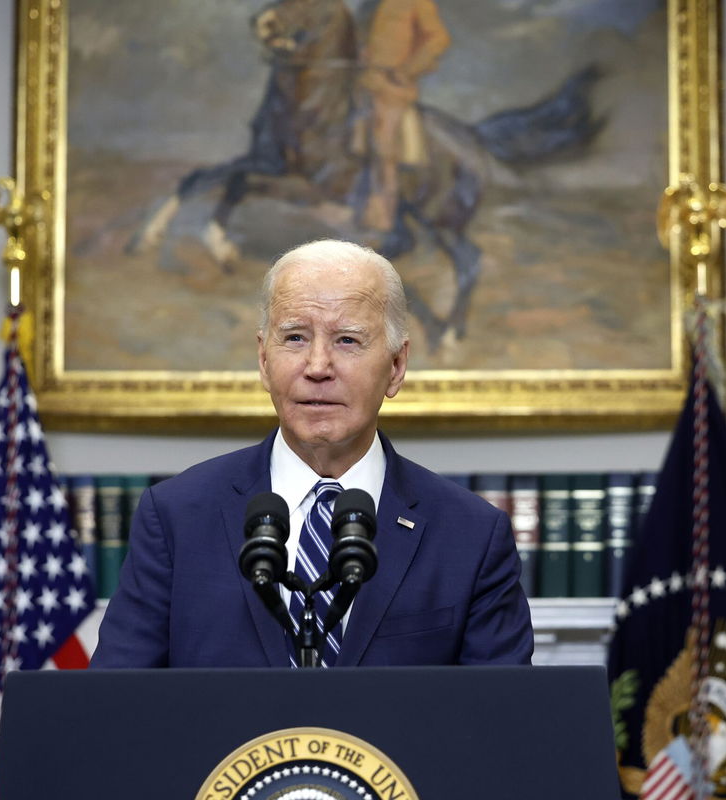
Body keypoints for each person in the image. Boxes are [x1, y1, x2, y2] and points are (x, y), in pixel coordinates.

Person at [91, 239, 532, 668]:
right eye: (296, 338)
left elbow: (499, 723)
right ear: (264, 361)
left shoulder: (471, 535)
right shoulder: (176, 516)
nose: (318, 367)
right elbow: (115, 709)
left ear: (396, 367)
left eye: (347, 341)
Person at [358, 0, 451, 231]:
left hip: (392, 88)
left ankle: (384, 219)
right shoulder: (370, 5)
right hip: (363, 82)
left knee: (383, 149)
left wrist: (406, 71)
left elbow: (439, 39)